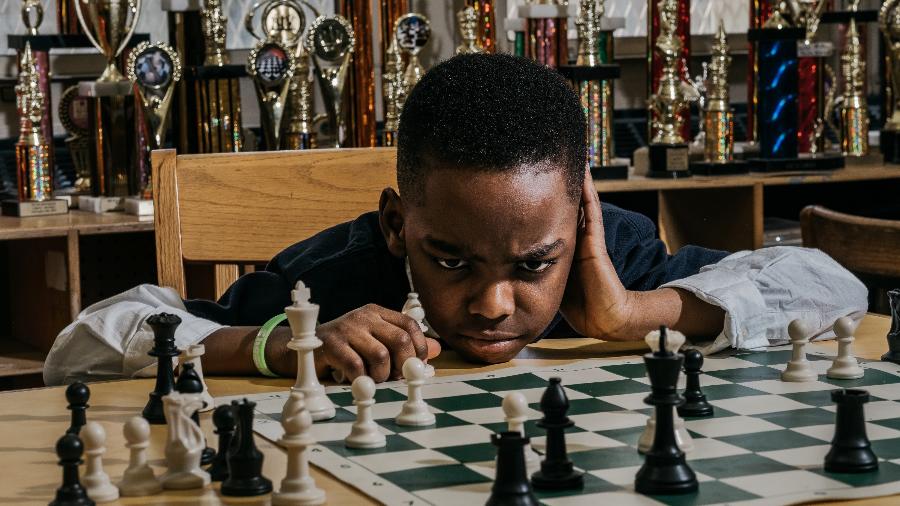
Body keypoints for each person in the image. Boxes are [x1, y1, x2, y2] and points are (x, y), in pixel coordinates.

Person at [44, 54, 867, 386]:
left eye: (533, 265)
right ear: (397, 224)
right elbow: (76, 348)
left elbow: (833, 284)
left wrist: (630, 312)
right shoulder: (328, 278)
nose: (493, 305)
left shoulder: (610, 255)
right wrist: (272, 343)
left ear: (580, 218)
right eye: (451, 260)